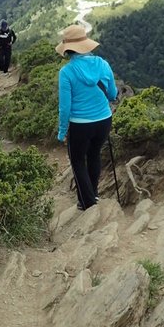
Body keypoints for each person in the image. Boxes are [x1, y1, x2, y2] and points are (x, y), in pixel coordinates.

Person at [55, 24, 118, 211]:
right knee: (94, 155)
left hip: (80, 125)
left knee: (77, 161)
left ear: (68, 49)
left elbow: (65, 108)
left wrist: (62, 132)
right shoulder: (103, 64)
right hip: (104, 120)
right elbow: (113, 94)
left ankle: (87, 202)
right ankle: (94, 194)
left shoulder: (66, 72)